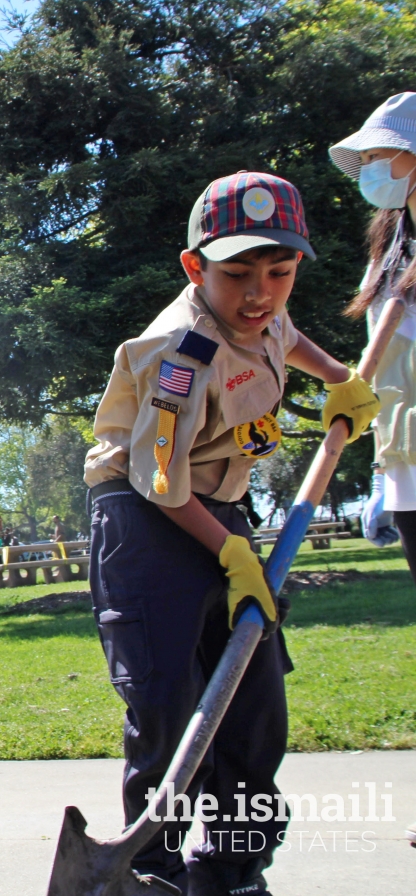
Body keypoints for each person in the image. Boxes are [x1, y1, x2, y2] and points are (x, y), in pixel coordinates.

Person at [83, 171, 380, 894]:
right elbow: (160, 481)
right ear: (195, 268)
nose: (259, 294)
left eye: (279, 272)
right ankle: (149, 872)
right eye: (237, 275)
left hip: (222, 514)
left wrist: (339, 376)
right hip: (145, 516)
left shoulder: (265, 312)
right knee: (168, 708)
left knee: (252, 713)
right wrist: (228, 552)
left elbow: (286, 333)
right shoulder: (180, 356)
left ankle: (233, 873)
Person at [328, 91, 416, 848]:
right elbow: (386, 359)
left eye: (389, 155)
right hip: (409, 463)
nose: (377, 169)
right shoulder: (393, 243)